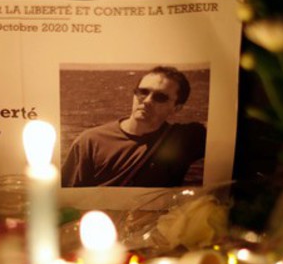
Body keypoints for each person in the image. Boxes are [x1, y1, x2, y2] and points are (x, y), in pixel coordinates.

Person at [61, 66, 206, 187]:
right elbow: (69, 196)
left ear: (176, 108)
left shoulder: (183, 140)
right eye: (142, 92)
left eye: (160, 97)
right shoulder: (90, 141)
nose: (147, 101)